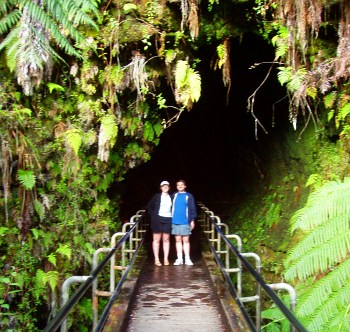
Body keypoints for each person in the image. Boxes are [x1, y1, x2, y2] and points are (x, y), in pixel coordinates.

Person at [171, 180, 197, 266]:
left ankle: (187, 258)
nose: (180, 186)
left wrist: (192, 220)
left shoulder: (189, 196)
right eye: (178, 185)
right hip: (175, 221)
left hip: (185, 221)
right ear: (176, 186)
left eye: (182, 185)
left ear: (185, 186)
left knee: (186, 240)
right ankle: (179, 258)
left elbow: (192, 208)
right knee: (177, 240)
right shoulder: (174, 195)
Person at [147, 181, 172, 266]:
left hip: (168, 219)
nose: (165, 187)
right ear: (161, 187)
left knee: (166, 239)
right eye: (163, 186)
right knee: (157, 240)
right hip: (157, 219)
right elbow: (149, 206)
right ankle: (156, 259)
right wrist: (153, 216)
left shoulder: (171, 197)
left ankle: (165, 258)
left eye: (167, 186)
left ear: (169, 187)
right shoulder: (157, 196)